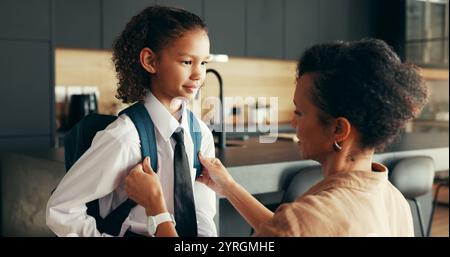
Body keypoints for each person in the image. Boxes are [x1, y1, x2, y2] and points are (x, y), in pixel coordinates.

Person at [124, 39, 429, 236]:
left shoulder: (303, 222)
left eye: (300, 112)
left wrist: (156, 209)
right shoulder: (394, 201)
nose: (294, 122)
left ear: (339, 130)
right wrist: (228, 186)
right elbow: (281, 231)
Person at [46, 6, 217, 237]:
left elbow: (203, 215)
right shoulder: (125, 137)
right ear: (150, 61)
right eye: (187, 62)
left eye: (204, 63)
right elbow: (61, 209)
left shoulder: (200, 134)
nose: (199, 74)